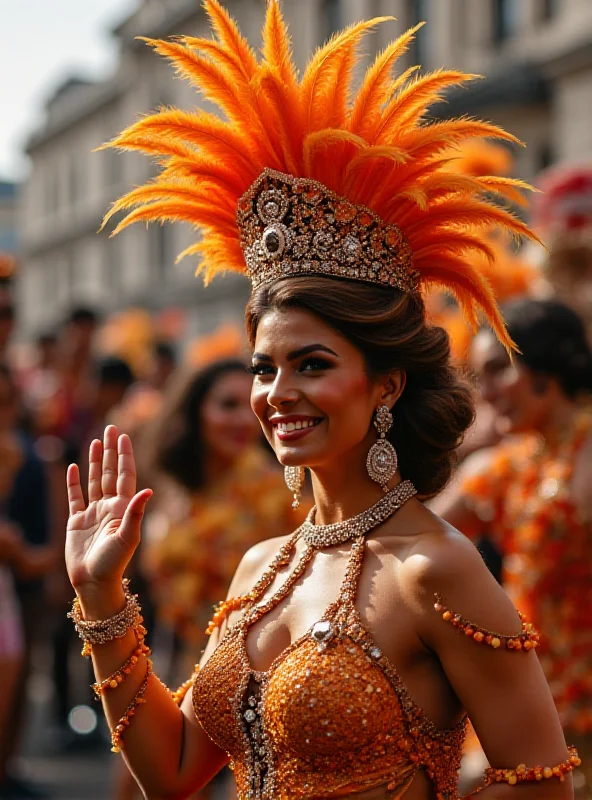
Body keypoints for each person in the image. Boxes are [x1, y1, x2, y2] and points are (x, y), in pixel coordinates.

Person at [63, 4, 577, 799]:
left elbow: (539, 783)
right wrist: (100, 596)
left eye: (311, 364)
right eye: (264, 368)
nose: (277, 394)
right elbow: (171, 772)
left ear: (385, 383)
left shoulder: (436, 568)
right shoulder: (265, 566)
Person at [433, 298, 592, 793]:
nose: (489, 393)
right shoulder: (506, 464)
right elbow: (412, 539)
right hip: (530, 701)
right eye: (481, 377)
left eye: (499, 370)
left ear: (546, 361)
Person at [143, 358, 303, 671]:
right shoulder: (175, 490)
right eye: (228, 405)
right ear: (195, 412)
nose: (244, 419)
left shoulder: (280, 496)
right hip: (186, 661)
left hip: (257, 667)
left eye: (251, 405)